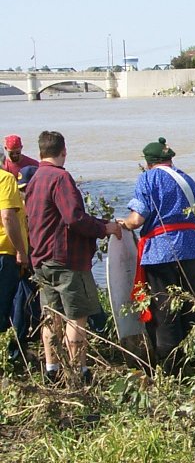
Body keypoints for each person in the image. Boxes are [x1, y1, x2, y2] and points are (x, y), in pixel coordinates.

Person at [25, 131, 122, 385]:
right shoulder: (61, 178)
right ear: (64, 151)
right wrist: (105, 228)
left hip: (41, 259)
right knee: (76, 317)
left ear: (39, 153)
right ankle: (79, 373)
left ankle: (51, 370)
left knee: (51, 316)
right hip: (66, 260)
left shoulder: (35, 179)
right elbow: (74, 218)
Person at [121, 137, 195, 375]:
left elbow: (137, 219)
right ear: (171, 159)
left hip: (161, 250)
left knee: (165, 310)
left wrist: (124, 225)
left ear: (148, 162)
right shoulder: (187, 179)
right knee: (191, 305)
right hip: (191, 248)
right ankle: (194, 362)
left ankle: (171, 368)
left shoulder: (148, 179)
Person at [0, 167, 29, 362]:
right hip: (4, 252)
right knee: (3, 307)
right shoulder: (5, 179)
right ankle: (8, 358)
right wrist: (20, 250)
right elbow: (8, 216)